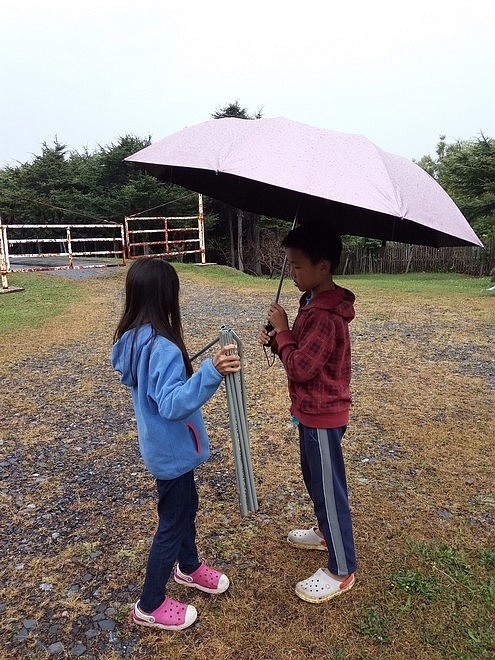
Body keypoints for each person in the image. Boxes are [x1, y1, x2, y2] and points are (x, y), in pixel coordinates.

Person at [111, 257, 241, 631]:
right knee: (172, 521)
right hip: (172, 451)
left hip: (162, 450)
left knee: (186, 507)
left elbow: (154, 391)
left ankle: (189, 567)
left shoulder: (134, 339)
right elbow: (169, 403)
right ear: (166, 295)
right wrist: (210, 372)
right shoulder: (162, 347)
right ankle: (149, 603)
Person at [259, 221, 357, 604]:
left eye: (298, 266)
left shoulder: (326, 316)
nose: (293, 273)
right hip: (309, 410)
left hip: (322, 414)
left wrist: (283, 333)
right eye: (290, 265)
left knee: (330, 492)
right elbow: (295, 352)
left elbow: (301, 367)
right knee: (316, 481)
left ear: (324, 266)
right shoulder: (310, 304)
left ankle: (342, 568)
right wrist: (278, 339)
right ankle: (324, 532)